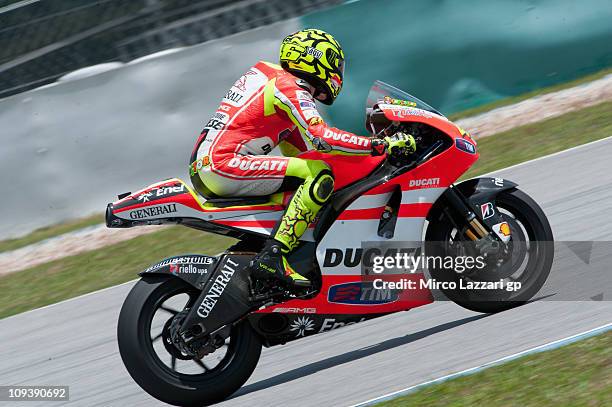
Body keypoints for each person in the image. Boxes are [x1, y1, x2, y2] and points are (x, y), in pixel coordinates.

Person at [189, 29, 415, 290]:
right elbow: (322, 137)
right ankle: (273, 256)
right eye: (335, 64)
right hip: (223, 165)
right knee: (318, 175)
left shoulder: (275, 82)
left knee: (314, 176)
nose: (338, 73)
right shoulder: (288, 85)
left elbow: (304, 152)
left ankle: (287, 254)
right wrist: (379, 145)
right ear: (315, 58)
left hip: (214, 166)